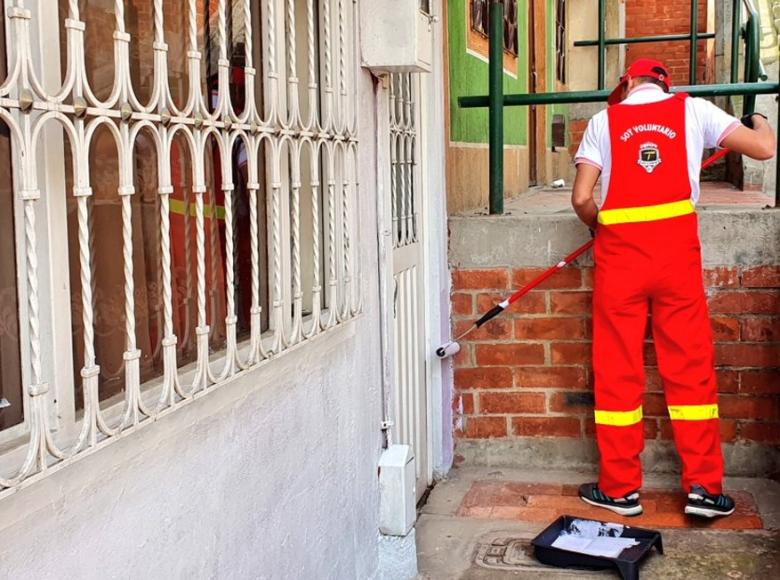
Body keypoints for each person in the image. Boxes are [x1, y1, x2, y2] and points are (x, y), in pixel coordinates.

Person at [571, 58, 776, 518]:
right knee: (689, 368)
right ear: (665, 83)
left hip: (619, 259)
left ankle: (620, 489)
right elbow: (763, 148)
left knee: (617, 368)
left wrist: (598, 226)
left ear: (627, 83)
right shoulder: (695, 111)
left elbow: (582, 197)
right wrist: (758, 117)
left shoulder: (603, 121)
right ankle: (704, 489)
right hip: (676, 257)